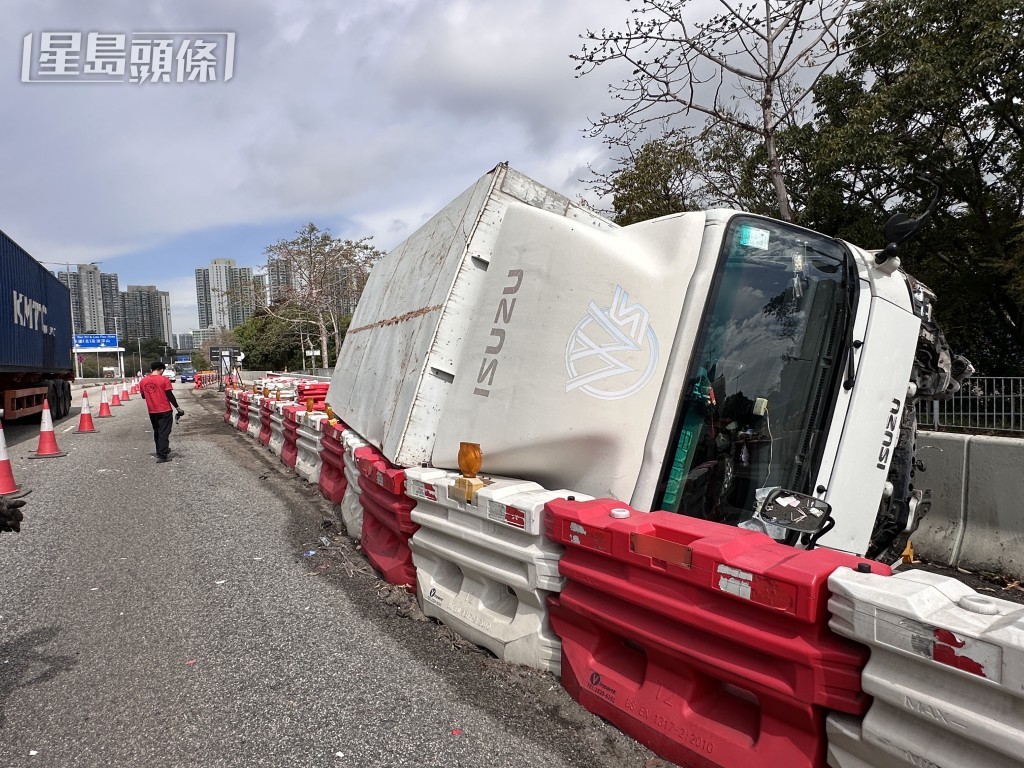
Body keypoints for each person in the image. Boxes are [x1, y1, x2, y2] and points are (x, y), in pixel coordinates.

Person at [139, 361, 184, 463]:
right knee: (164, 432)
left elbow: (143, 396)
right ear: (162, 370)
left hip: (152, 411)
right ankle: (162, 456)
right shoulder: (164, 380)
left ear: (152, 369)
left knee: (157, 431)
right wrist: (177, 407)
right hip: (165, 410)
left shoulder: (143, 381)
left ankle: (161, 450)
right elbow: (169, 395)